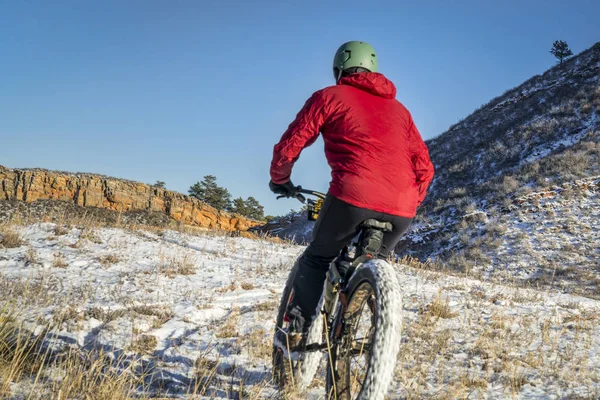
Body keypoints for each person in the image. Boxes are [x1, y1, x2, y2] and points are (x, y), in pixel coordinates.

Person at [269, 40, 434, 356]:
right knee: (373, 259)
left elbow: (293, 140)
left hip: (352, 196)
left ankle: (293, 336)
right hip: (402, 208)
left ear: (338, 68)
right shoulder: (401, 111)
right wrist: (407, 200)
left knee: (317, 259)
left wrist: (281, 179)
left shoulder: (329, 97)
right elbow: (425, 168)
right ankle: (357, 320)